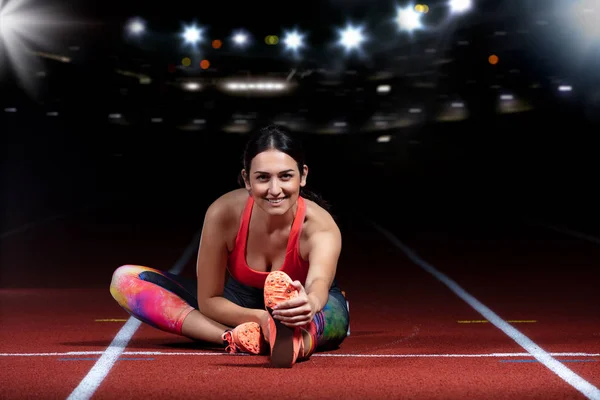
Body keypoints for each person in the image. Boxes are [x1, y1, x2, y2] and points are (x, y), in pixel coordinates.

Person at [110, 124, 350, 368]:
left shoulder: (320, 226)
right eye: (263, 178)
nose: (274, 190)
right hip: (239, 303)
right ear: (247, 179)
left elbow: (318, 285)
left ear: (303, 176)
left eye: (285, 176)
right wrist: (262, 319)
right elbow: (210, 299)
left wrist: (309, 304)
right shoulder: (222, 213)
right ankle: (234, 337)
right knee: (125, 280)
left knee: (329, 316)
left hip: (302, 309)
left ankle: (300, 339)